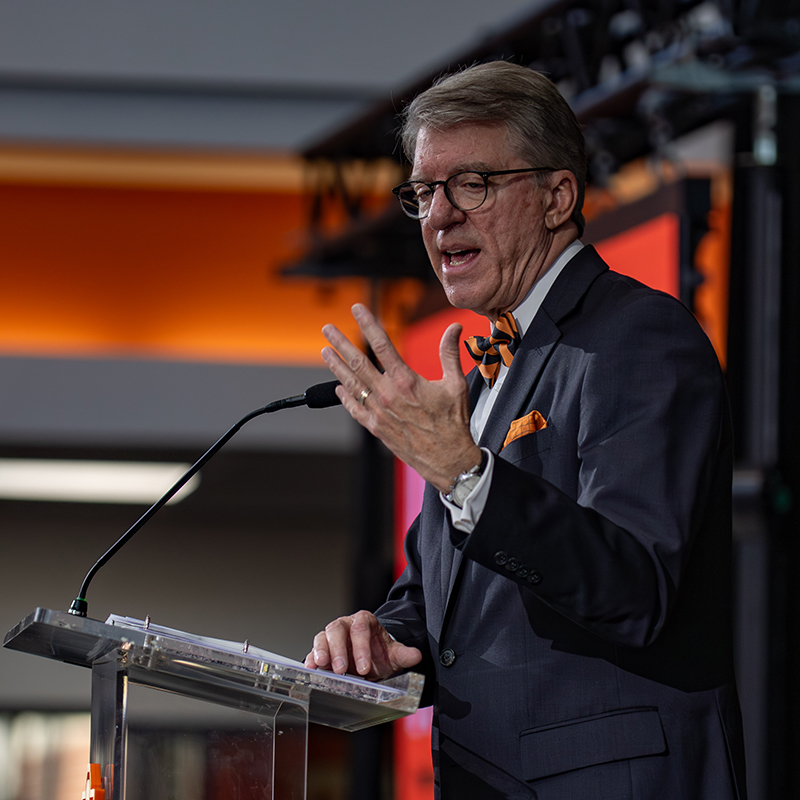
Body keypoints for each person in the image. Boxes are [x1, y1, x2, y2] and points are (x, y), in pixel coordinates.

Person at [304, 61, 746, 799]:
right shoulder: (481, 379)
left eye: (472, 184)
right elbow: (452, 603)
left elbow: (632, 585)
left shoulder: (636, 337)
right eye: (424, 192)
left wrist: (467, 475)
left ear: (556, 196)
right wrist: (387, 638)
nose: (440, 215)